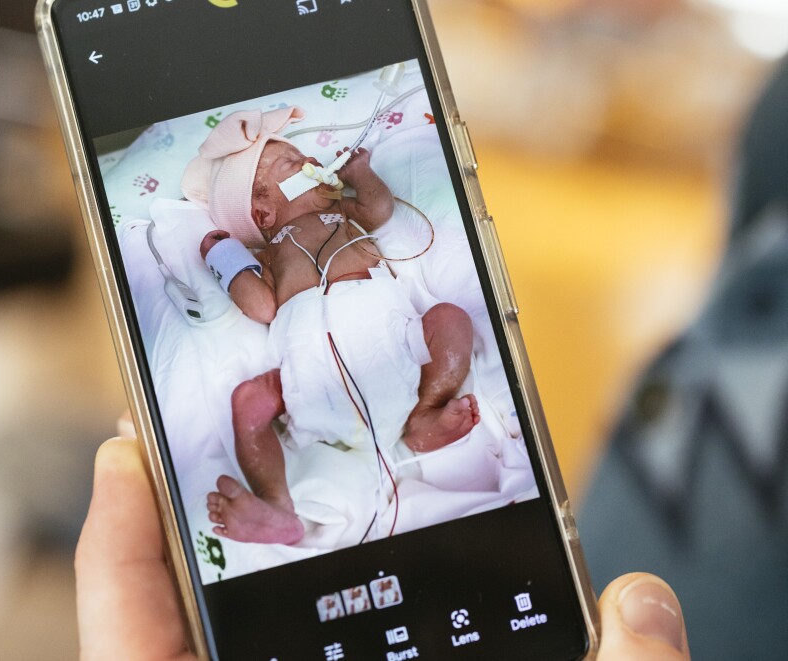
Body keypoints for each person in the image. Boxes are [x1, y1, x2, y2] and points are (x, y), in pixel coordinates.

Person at [76, 433, 691, 660]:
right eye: (272, 178)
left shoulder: (355, 229)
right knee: (253, 413)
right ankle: (284, 514)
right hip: (324, 428)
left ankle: (293, 518)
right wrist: (227, 258)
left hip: (391, 427)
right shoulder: (275, 263)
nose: (298, 171)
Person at [181, 107, 480, 546]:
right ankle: (277, 507)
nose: (309, 165)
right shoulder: (268, 257)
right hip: (311, 373)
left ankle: (423, 412)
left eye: (305, 158)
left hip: (390, 341)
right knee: (249, 400)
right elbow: (262, 307)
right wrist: (225, 260)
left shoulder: (345, 217)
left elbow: (379, 206)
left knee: (450, 320)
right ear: (263, 214)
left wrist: (361, 170)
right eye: (291, 164)